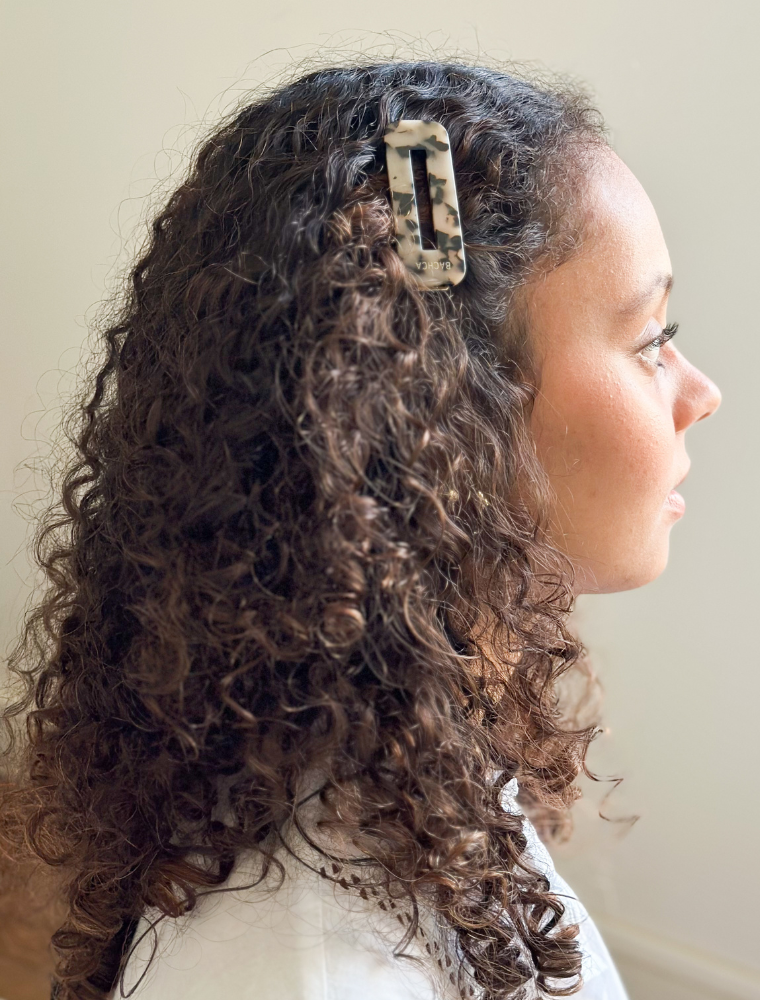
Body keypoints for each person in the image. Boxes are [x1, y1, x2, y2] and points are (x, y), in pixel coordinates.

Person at [0, 59, 720, 1000]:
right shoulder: (304, 969)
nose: (701, 394)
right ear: (443, 409)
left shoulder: (417, 758)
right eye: (650, 340)